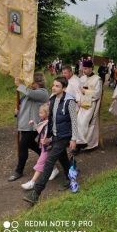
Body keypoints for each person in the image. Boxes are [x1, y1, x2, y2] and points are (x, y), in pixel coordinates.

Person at [23, 77, 77, 205]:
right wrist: (49, 137)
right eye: (53, 85)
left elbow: (74, 122)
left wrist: (74, 139)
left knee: (49, 161)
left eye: (57, 86)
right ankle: (71, 178)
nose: (54, 87)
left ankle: (36, 193)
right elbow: (51, 121)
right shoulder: (52, 99)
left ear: (64, 88)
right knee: (62, 157)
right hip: (55, 136)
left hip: (65, 136)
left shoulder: (70, 102)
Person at [8, 73, 49, 182]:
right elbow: (24, 105)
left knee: (23, 146)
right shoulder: (28, 93)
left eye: (31, 82)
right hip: (24, 124)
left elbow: (30, 93)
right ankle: (47, 157)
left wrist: (20, 85)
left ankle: (19, 171)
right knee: (31, 144)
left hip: (33, 126)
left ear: (37, 82)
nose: (29, 83)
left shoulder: (43, 93)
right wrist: (18, 111)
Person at [21, 103, 59, 190]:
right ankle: (54, 169)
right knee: (48, 160)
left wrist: (48, 140)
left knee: (40, 162)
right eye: (39, 113)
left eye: (41, 113)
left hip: (47, 147)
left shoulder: (50, 124)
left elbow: (55, 135)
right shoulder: (43, 122)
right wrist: (34, 124)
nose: (39, 114)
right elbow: (39, 130)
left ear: (47, 113)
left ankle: (32, 182)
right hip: (43, 146)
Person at [77, 60, 103, 150]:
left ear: (91, 68)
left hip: (91, 105)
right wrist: (78, 100)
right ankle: (79, 143)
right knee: (79, 122)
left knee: (86, 123)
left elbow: (97, 93)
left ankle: (89, 144)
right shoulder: (82, 78)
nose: (84, 70)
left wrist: (86, 92)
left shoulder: (97, 79)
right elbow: (78, 91)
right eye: (83, 68)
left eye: (86, 68)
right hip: (82, 104)